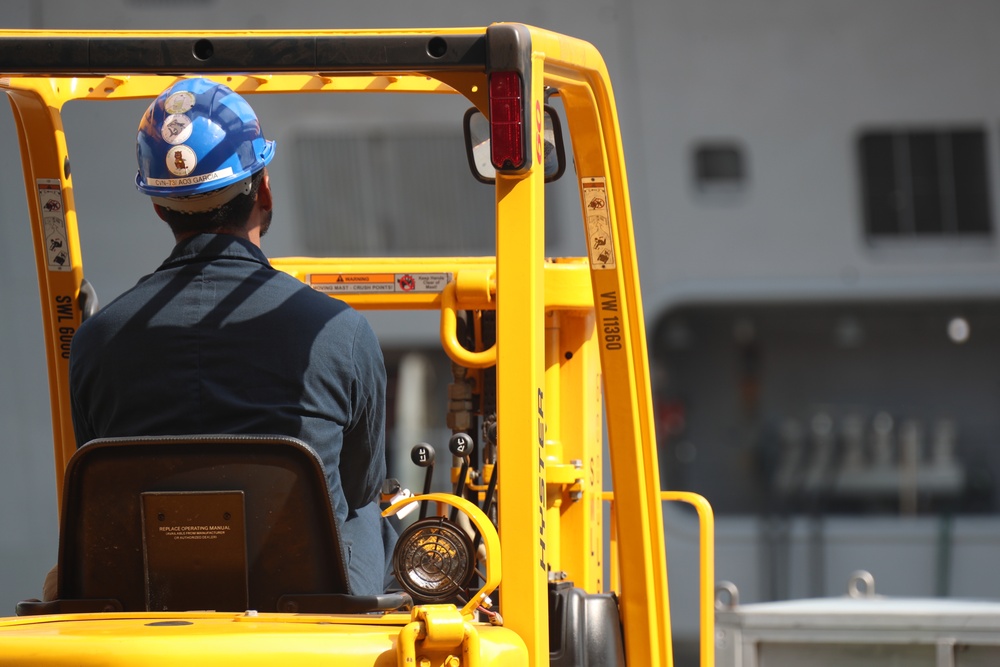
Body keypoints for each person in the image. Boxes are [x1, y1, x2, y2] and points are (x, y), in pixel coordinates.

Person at [67, 78, 395, 596]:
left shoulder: (95, 342)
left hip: (150, 597)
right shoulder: (338, 333)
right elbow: (359, 484)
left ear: (157, 205)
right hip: (309, 602)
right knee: (370, 509)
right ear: (263, 188)